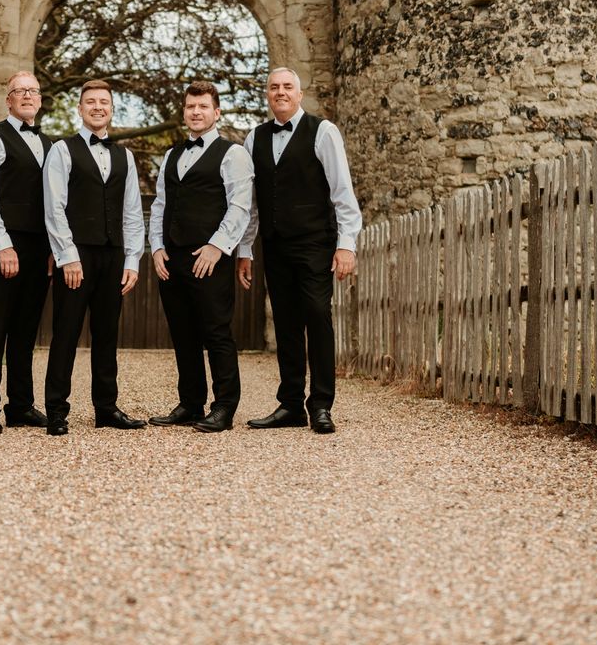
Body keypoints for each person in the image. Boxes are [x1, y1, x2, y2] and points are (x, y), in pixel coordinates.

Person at [238, 68, 361, 434]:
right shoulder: (253, 139)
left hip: (314, 243)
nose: (280, 92)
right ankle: (290, 404)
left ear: (299, 93)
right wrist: (246, 249)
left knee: (317, 315)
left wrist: (346, 245)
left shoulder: (322, 132)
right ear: (267, 95)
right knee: (286, 322)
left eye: (287, 87)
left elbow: (342, 192)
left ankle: (321, 405)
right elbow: (252, 204)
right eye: (274, 87)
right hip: (274, 245)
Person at [148, 79, 253, 432]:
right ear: (184, 111)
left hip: (210, 258)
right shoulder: (171, 155)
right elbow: (161, 203)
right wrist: (157, 247)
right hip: (172, 259)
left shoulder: (233, 153)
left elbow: (240, 206)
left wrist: (217, 246)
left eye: (203, 106)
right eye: (191, 107)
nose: (196, 112)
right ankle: (191, 403)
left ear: (216, 112)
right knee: (183, 333)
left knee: (216, 332)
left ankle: (224, 406)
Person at [42, 79, 146, 436]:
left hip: (113, 255)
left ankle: (106, 408)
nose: (97, 107)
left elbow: (132, 211)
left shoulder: (125, 156)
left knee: (106, 335)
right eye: (90, 102)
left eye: (104, 102)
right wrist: (67, 256)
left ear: (112, 109)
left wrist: (132, 260)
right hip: (78, 254)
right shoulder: (62, 150)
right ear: (80, 108)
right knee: (66, 333)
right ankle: (56, 409)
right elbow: (54, 207)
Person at [0, 71, 53, 434]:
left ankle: (20, 405)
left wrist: (54, 250)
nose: (27, 96)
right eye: (20, 91)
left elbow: (54, 205)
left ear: (39, 99)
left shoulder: (50, 145)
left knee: (26, 330)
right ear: (9, 100)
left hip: (40, 246)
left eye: (33, 91)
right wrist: (1, 244)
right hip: (6, 242)